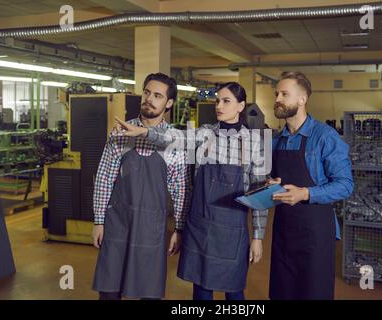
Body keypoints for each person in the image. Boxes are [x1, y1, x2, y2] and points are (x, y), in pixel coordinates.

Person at [115, 82, 269, 300]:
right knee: (201, 290)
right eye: (217, 100)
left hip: (232, 232)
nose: (219, 106)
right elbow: (175, 138)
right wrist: (145, 131)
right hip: (200, 226)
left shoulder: (256, 142)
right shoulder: (205, 134)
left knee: (234, 291)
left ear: (241, 106)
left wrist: (258, 237)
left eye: (226, 101)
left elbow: (259, 193)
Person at [91, 73, 191, 300]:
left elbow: (180, 188)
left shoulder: (174, 139)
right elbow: (104, 178)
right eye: (147, 92)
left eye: (158, 95)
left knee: (149, 291)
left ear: (169, 103)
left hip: (152, 228)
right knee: (109, 290)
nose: (149, 99)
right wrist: (98, 221)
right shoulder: (120, 132)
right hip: (118, 223)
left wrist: (179, 228)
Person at [268, 71, 353, 300]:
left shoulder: (325, 137)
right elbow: (276, 179)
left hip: (315, 235)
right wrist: (271, 184)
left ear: (302, 99)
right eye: (277, 94)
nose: (278, 98)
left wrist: (305, 193)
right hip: (284, 232)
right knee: (282, 292)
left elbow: (345, 185)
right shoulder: (277, 140)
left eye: (285, 94)